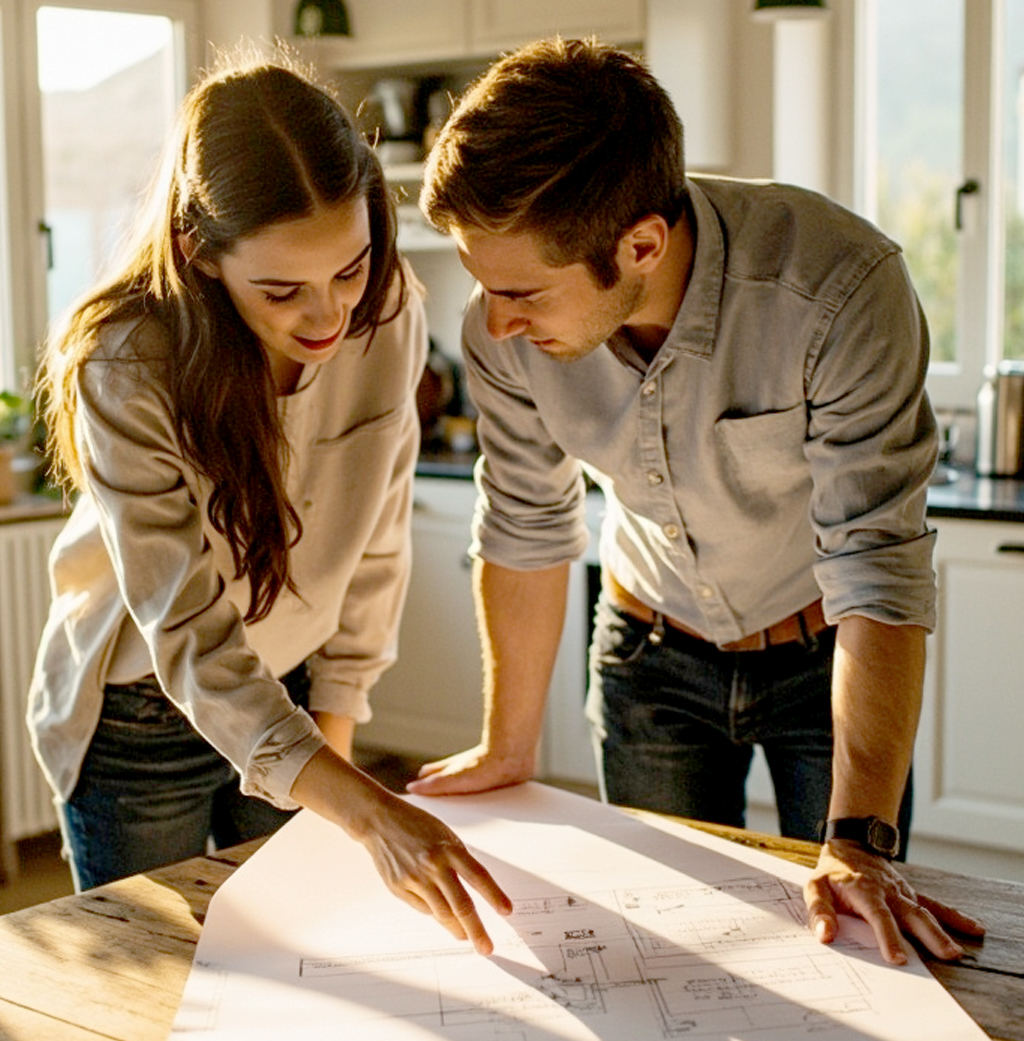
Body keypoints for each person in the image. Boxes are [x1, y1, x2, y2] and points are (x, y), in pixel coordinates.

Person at [407, 36, 984, 965]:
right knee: (671, 960)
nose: (496, 322)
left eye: (522, 293)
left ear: (640, 244)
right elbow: (524, 519)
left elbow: (876, 565)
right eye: (484, 286)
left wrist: (860, 842)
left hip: (824, 661)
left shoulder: (836, 290)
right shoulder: (500, 328)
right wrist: (505, 747)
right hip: (648, 660)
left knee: (853, 947)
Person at [27, 52, 511, 958]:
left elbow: (376, 539)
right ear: (199, 255)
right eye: (280, 290)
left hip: (289, 690)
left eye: (350, 267)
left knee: (296, 967)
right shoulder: (125, 362)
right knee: (157, 989)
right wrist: (367, 813)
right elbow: (189, 633)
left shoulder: (389, 311)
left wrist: (337, 729)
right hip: (140, 722)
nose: (328, 314)